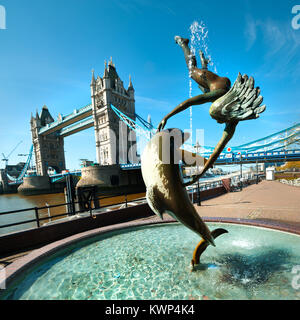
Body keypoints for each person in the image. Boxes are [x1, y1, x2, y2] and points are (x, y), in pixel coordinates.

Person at [157, 36, 231, 131]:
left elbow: (225, 138)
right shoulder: (217, 96)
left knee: (204, 88)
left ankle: (204, 65)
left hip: (223, 83)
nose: (217, 122)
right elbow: (189, 102)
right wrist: (166, 117)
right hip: (217, 87)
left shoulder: (232, 119)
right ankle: (184, 43)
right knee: (192, 70)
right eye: (218, 120)